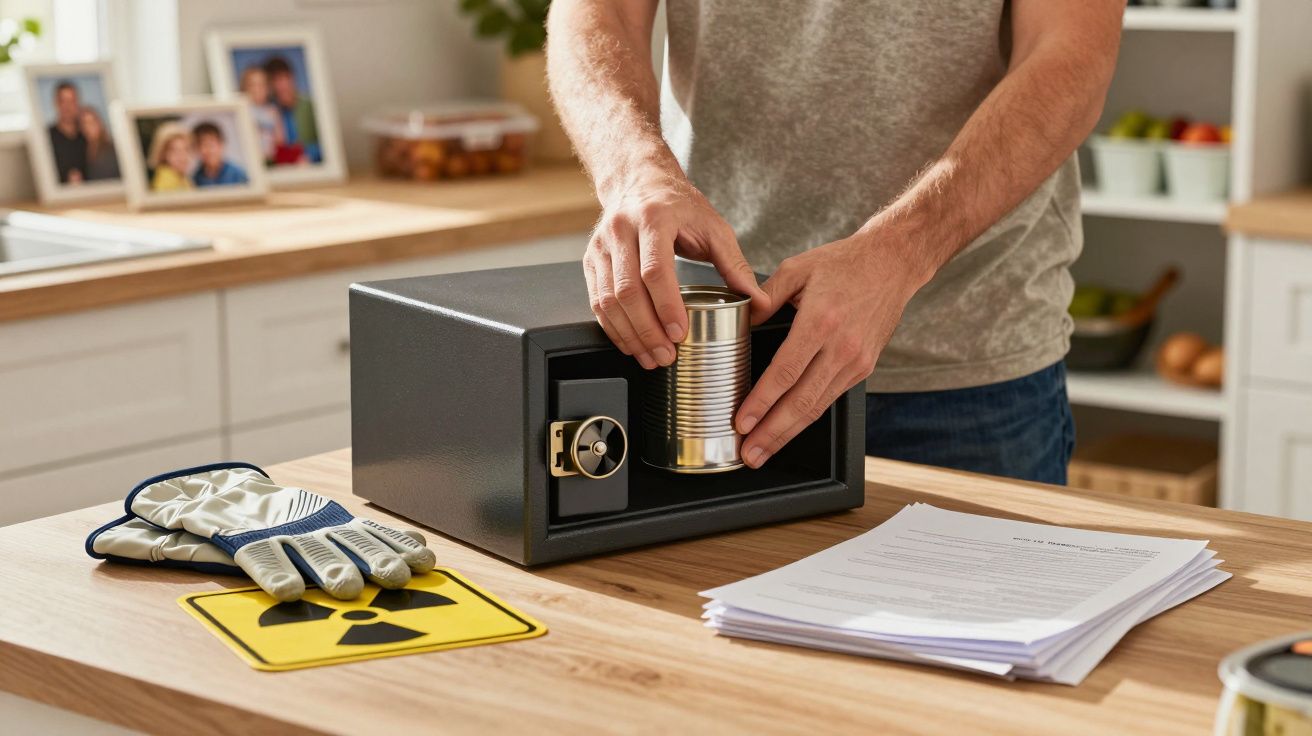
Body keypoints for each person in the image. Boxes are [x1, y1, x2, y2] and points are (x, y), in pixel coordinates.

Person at [546, 1, 1124, 484]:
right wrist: (634, 170)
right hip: (708, 360)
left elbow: (1069, 58)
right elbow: (599, 12)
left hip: (960, 369)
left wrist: (901, 254)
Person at [264, 55, 320, 163]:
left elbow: (327, 143)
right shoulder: (270, 112)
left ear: (292, 78)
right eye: (275, 81)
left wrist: (309, 155)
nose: (281, 86)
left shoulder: (310, 106)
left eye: (284, 78)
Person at [240, 65, 300, 165]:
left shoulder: (272, 111)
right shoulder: (244, 110)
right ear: (244, 88)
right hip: (251, 158)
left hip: (272, 158)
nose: (257, 89)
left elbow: (280, 139)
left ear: (268, 89)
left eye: (261, 85)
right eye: (252, 85)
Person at [47, 80, 87, 184]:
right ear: (56, 103)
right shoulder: (46, 137)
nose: (68, 107)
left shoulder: (87, 135)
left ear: (78, 103)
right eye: (63, 101)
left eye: (72, 101)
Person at [191, 121, 250, 187]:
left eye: (210, 145)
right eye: (201, 146)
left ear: (221, 144)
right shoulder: (195, 178)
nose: (207, 150)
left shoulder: (238, 174)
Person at [146, 123, 194, 192]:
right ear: (163, 154)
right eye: (176, 151)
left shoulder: (183, 178)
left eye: (186, 149)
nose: (183, 156)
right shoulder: (165, 181)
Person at [78, 106, 120, 182]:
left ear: (99, 123)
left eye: (91, 122)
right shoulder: (84, 150)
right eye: (84, 124)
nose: (88, 127)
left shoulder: (111, 150)